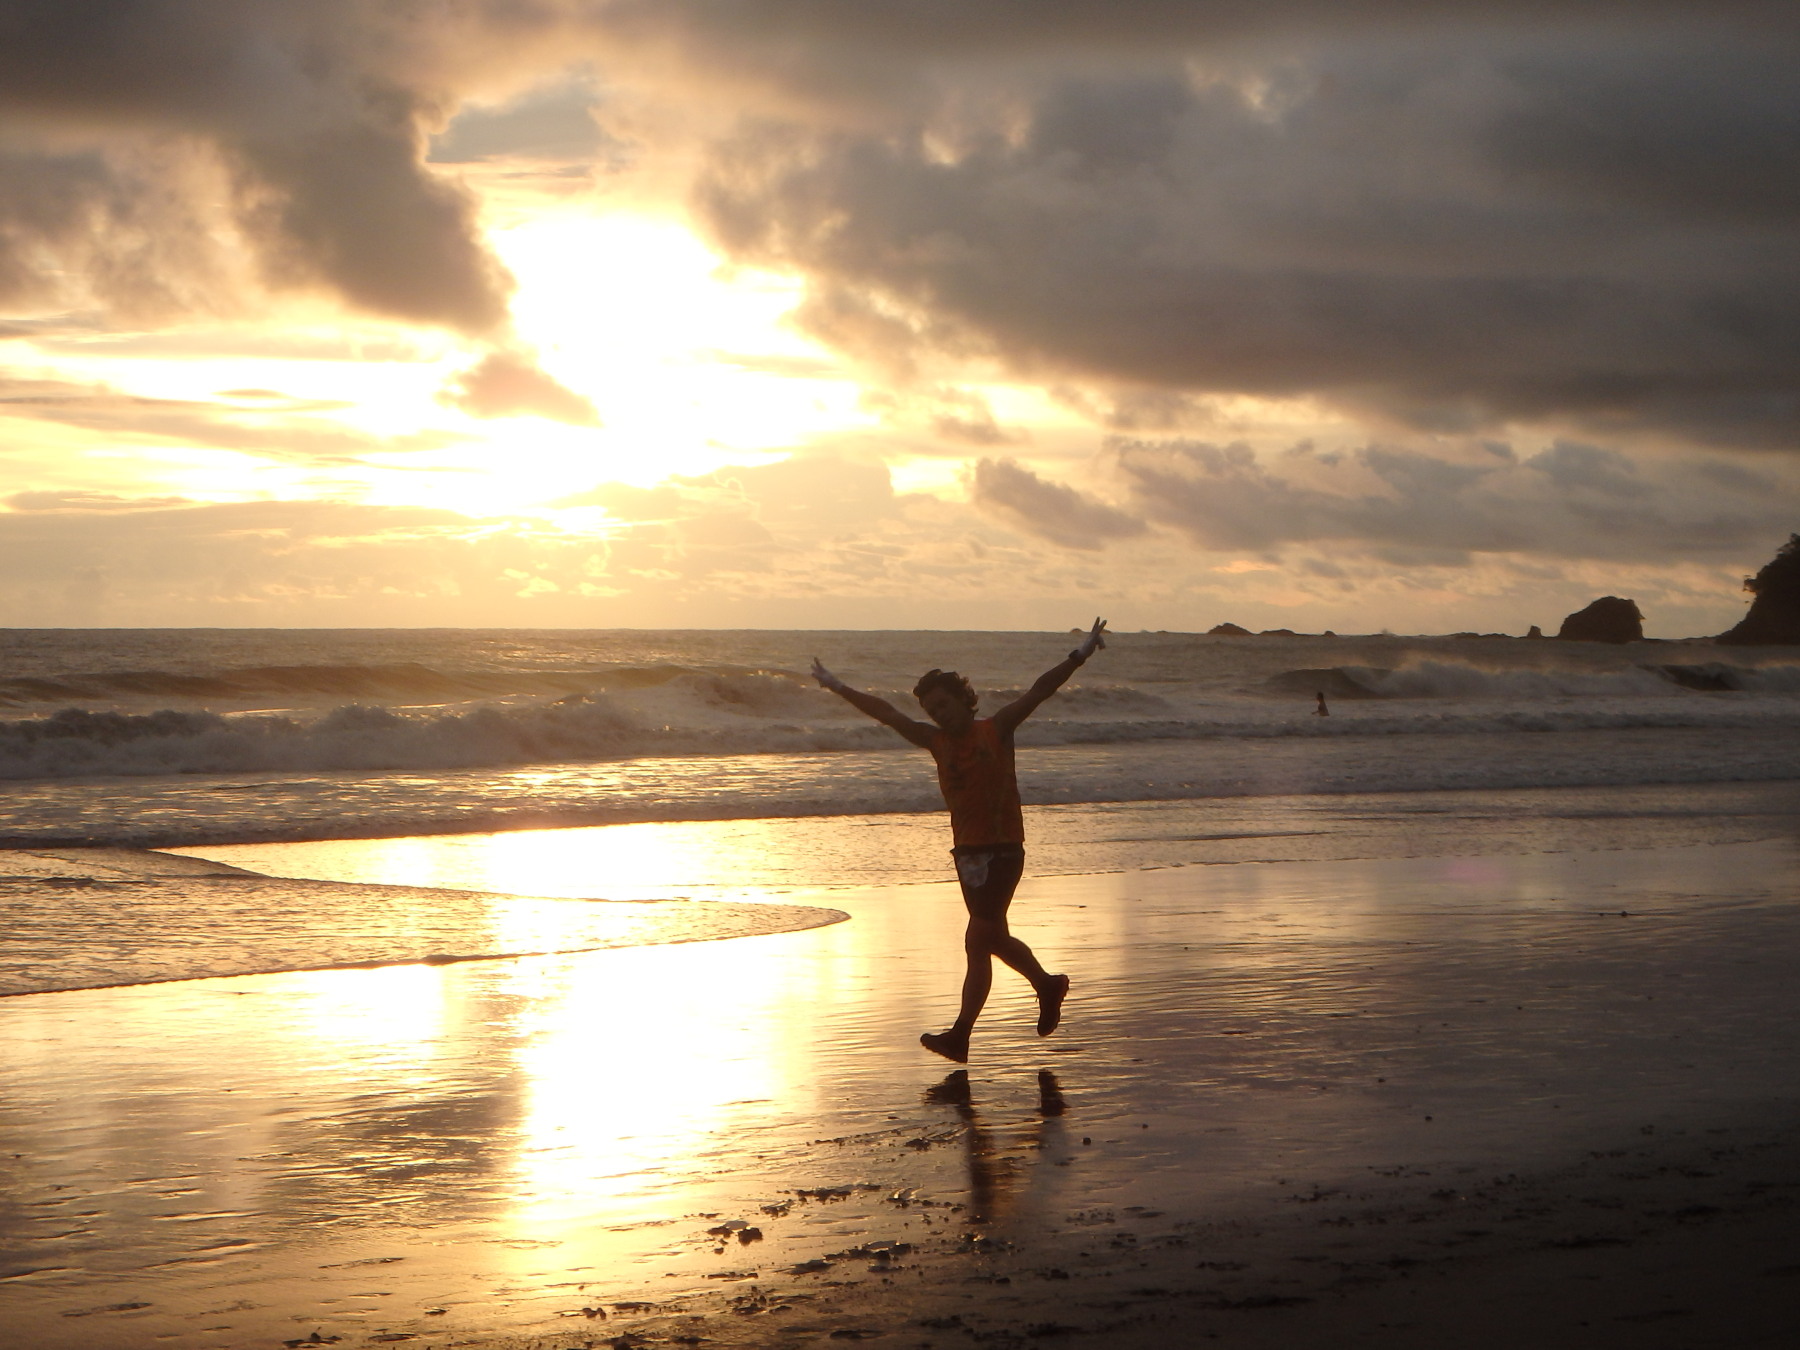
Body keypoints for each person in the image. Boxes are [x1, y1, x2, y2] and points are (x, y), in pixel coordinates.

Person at [810, 619, 1108, 1063]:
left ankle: (962, 1033)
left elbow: (1040, 689)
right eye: (932, 710)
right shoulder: (934, 742)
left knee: (977, 941)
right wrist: (836, 686)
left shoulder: (997, 729)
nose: (938, 715)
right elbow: (885, 713)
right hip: (966, 855)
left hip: (1004, 848)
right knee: (991, 939)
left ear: (963, 701)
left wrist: (1079, 655)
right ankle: (1047, 985)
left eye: (944, 705)